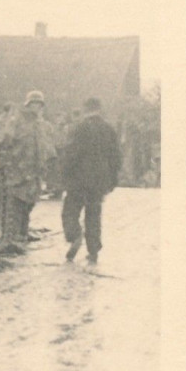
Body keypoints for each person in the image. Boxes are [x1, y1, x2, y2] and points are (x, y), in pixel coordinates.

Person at [61, 97, 121, 264]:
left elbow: (71, 153)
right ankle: (93, 250)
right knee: (94, 214)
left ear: (85, 109)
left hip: (78, 179)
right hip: (100, 180)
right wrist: (112, 179)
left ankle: (75, 235)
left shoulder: (79, 128)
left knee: (70, 210)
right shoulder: (109, 129)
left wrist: (64, 174)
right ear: (99, 109)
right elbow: (116, 156)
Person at [0, 90, 58, 253]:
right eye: (34, 104)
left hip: (34, 170)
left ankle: (22, 234)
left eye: (39, 104)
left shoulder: (40, 124)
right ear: (28, 104)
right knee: (15, 203)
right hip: (18, 169)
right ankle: (11, 237)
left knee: (29, 202)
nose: (36, 107)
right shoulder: (17, 120)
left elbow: (45, 146)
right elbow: (5, 141)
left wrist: (45, 162)